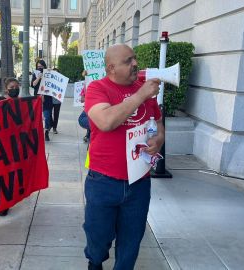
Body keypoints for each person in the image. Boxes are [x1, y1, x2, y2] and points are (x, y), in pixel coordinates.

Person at [83, 44, 164, 270]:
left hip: (139, 183)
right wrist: (140, 95)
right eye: (128, 61)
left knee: (131, 242)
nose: (135, 64)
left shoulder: (145, 91)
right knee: (98, 238)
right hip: (103, 181)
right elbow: (106, 121)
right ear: (111, 68)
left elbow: (157, 123)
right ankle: (95, 261)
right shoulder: (97, 89)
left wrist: (158, 140)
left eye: (134, 59)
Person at [0, 77, 20, 216]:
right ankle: (2, 204)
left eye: (16, 86)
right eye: (12, 87)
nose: (15, 89)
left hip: (15, 145)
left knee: (11, 173)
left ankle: (7, 201)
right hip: (1, 145)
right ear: (6, 89)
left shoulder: (21, 103)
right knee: (2, 175)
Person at [31, 59, 53, 141]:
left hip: (47, 98)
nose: (39, 68)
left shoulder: (48, 73)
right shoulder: (35, 74)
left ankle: (46, 131)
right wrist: (39, 77)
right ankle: (38, 132)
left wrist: (50, 72)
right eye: (38, 67)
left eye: (41, 67)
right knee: (38, 117)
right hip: (37, 98)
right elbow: (33, 84)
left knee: (47, 117)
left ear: (44, 67)